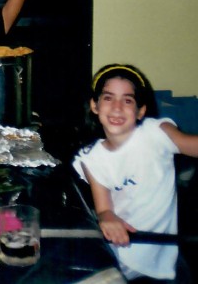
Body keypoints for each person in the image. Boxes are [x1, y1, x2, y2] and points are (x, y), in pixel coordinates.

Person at [72, 64, 198, 282]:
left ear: (141, 111)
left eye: (128, 100)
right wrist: (107, 217)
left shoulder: (156, 133)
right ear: (94, 105)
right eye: (108, 98)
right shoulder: (90, 158)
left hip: (163, 256)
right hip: (121, 254)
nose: (117, 107)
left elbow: (191, 145)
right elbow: (103, 209)